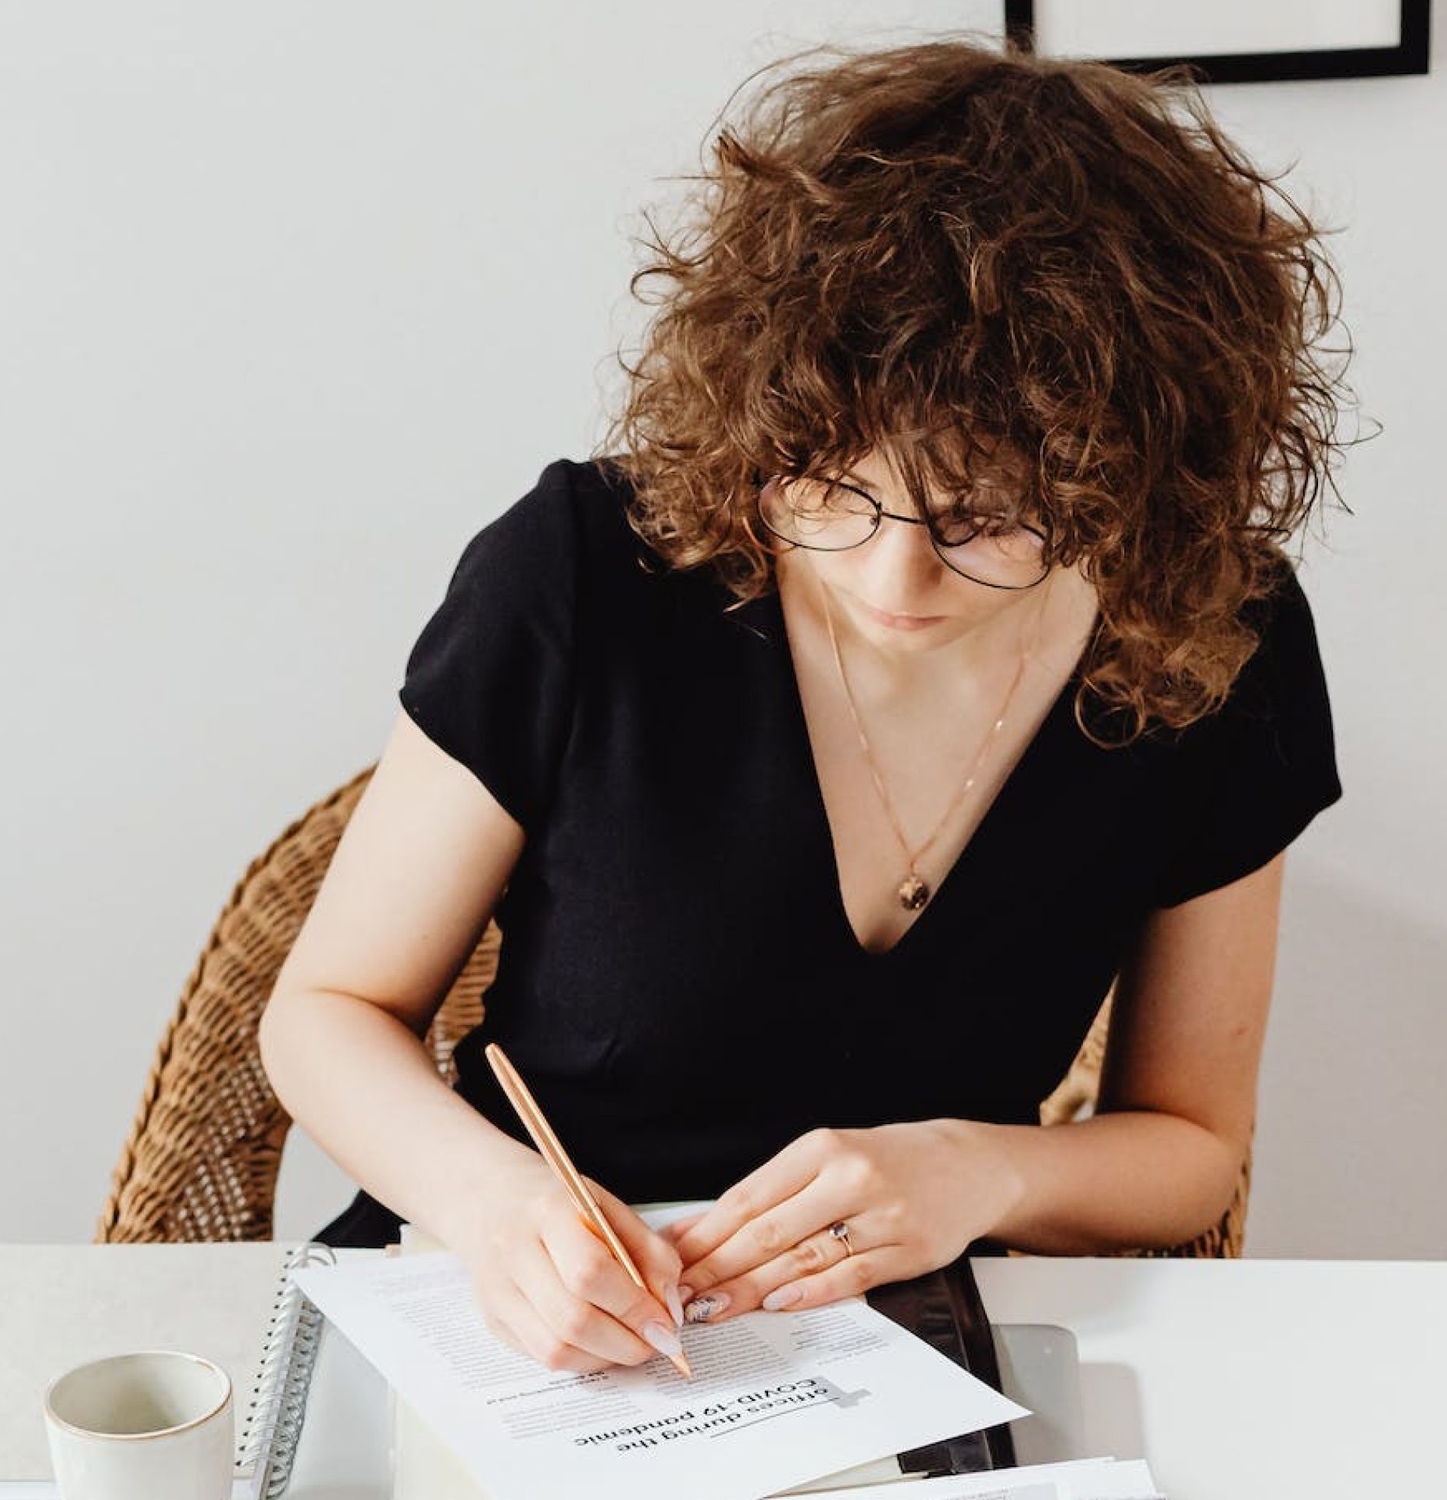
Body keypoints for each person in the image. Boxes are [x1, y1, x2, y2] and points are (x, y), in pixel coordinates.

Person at [258, 36, 1347, 1377]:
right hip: (511, 1322)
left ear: (1129, 481)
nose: (893, 574)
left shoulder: (1211, 643)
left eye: (988, 517)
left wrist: (974, 1175)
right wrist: (497, 1208)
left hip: (894, 1358)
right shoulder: (589, 571)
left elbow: (1189, 1147)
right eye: (828, 481)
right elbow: (324, 1016)